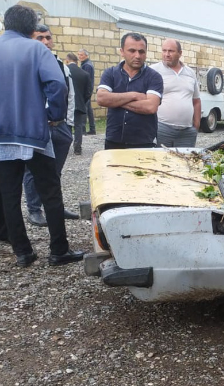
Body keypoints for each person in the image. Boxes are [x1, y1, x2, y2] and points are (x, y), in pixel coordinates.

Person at [0, 4, 84, 267]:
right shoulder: (37, 49)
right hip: (33, 133)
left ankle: (23, 252)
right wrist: (55, 115)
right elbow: (57, 84)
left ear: (5, 23)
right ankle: (59, 250)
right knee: (50, 191)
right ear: (31, 28)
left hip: (2, 137)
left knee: (9, 195)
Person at [23, 24, 80, 228]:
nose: (45, 42)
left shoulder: (60, 64)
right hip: (39, 126)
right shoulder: (27, 63)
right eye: (40, 38)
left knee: (55, 170)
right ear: (31, 40)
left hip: (61, 125)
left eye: (48, 37)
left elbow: (70, 94)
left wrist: (69, 123)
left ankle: (54, 207)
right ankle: (34, 209)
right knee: (33, 171)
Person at [96, 32, 163, 149]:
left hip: (144, 142)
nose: (137, 55)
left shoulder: (154, 77)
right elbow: (101, 99)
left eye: (141, 52)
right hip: (114, 141)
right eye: (132, 51)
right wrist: (134, 95)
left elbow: (150, 107)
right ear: (122, 51)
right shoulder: (110, 73)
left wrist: (116, 101)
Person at [150, 39, 201, 147]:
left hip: (187, 132)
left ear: (180, 53)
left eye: (171, 51)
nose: (166, 54)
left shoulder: (190, 73)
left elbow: (196, 101)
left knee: (185, 162)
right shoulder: (153, 71)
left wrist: (196, 125)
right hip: (161, 128)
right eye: (164, 51)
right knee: (163, 161)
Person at [65, 53, 92, 155]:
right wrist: (83, 101)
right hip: (80, 103)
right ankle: (77, 148)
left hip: (67, 104)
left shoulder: (64, 71)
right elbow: (88, 92)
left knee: (66, 125)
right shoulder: (84, 74)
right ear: (76, 61)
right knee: (78, 126)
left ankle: (65, 147)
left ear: (67, 60)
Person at [78, 48, 97, 135]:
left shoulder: (87, 66)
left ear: (86, 55)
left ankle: (82, 129)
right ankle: (92, 129)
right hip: (87, 90)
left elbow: (86, 79)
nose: (79, 56)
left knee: (84, 110)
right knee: (89, 110)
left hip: (86, 91)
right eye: (79, 55)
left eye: (81, 55)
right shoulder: (85, 64)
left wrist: (84, 91)